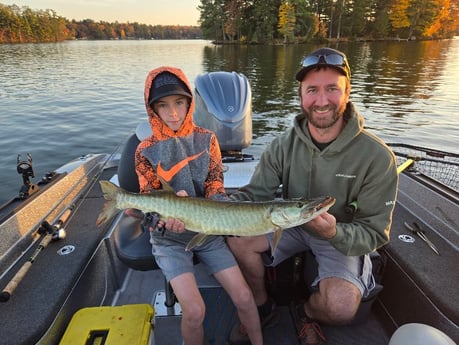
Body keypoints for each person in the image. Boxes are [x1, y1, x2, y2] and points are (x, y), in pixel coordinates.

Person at [227, 47, 399, 345]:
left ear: (348, 92)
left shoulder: (377, 157)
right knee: (238, 240)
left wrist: (334, 231)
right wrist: (215, 206)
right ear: (301, 95)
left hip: (340, 234)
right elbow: (254, 196)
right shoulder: (281, 146)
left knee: (343, 307)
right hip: (290, 223)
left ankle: (306, 311)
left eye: (332, 89)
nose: (321, 101)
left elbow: (374, 233)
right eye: (312, 90)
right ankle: (261, 304)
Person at [135, 66, 263, 345]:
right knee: (194, 311)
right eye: (163, 105)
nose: (173, 113)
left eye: (179, 102)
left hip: (207, 233)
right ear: (152, 108)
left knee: (244, 297)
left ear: (190, 102)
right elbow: (149, 204)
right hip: (168, 239)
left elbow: (216, 188)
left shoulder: (208, 139)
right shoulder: (144, 150)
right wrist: (163, 220)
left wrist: (227, 218)